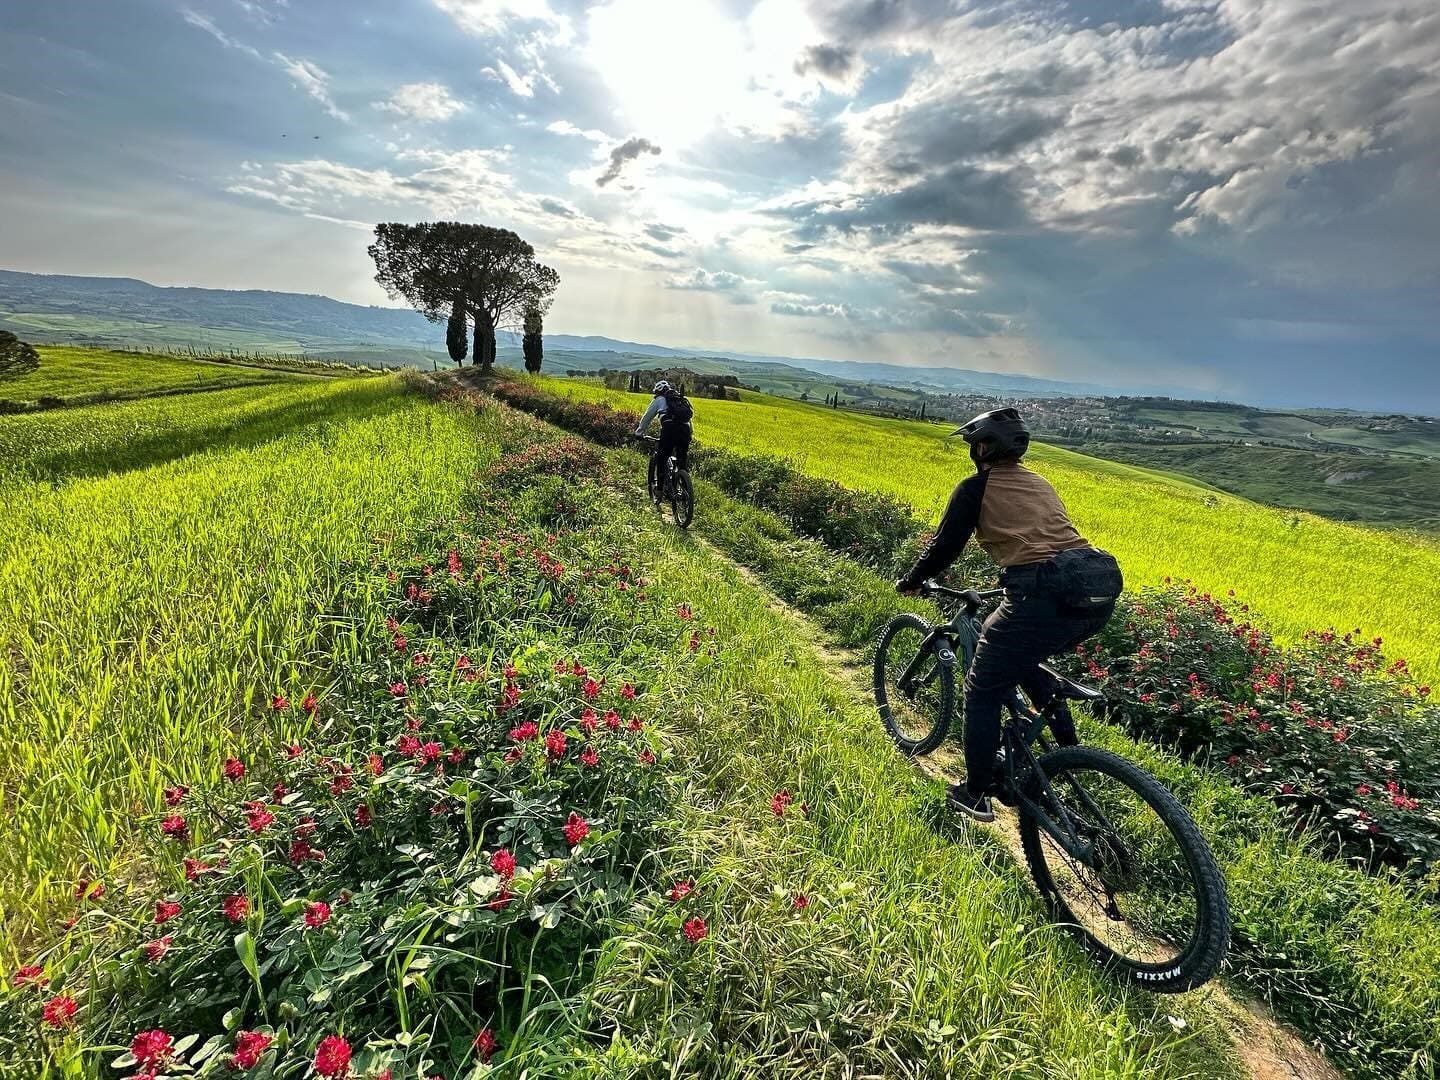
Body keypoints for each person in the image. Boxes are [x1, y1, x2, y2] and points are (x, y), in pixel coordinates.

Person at [896, 407, 1122, 821]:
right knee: (1009, 642)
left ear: (981, 447)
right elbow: (1043, 539)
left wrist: (913, 580)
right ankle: (1065, 747)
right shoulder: (1040, 482)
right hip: (1094, 589)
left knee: (982, 689)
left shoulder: (975, 488)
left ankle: (976, 793)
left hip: (1038, 592)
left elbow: (946, 546)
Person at [633, 379, 694, 491]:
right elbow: (688, 420)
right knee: (682, 462)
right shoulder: (680, 400)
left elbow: (647, 417)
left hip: (669, 430)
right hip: (685, 431)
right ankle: (685, 490)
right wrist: (690, 434)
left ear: (657, 391)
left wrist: (639, 432)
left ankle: (660, 490)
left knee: (662, 458)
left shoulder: (659, 399)